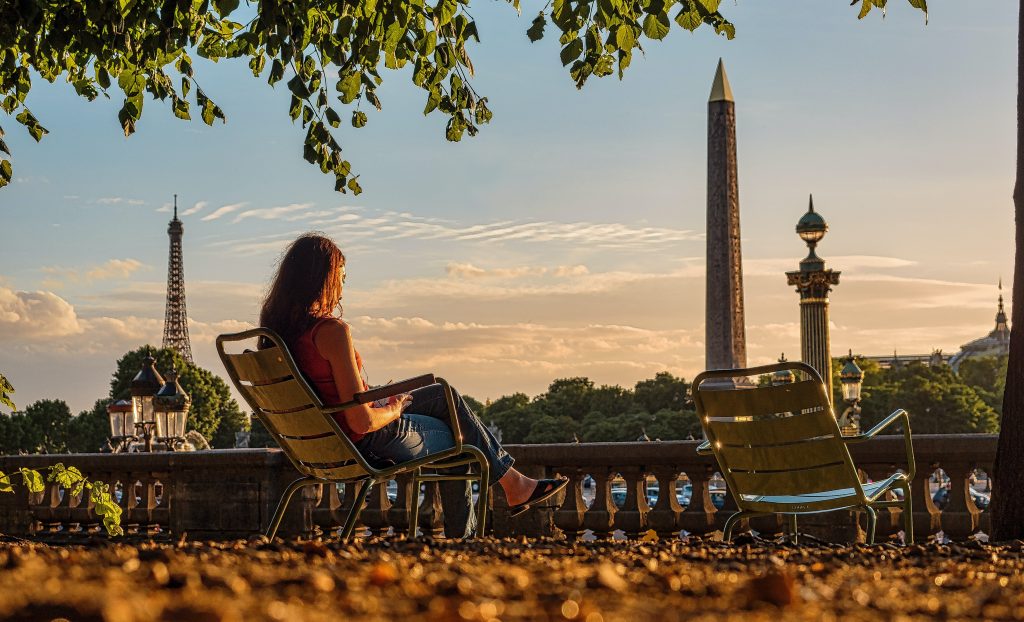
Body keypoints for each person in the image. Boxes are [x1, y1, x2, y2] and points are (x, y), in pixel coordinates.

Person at [258, 233, 567, 538]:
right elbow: (361, 421)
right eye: (341, 278)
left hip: (319, 443)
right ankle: (479, 524)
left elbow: (330, 398)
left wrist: (382, 399)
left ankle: (513, 486)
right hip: (365, 441)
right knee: (456, 437)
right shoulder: (331, 331)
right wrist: (393, 408)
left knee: (441, 396)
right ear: (322, 279)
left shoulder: (279, 335)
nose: (342, 289)